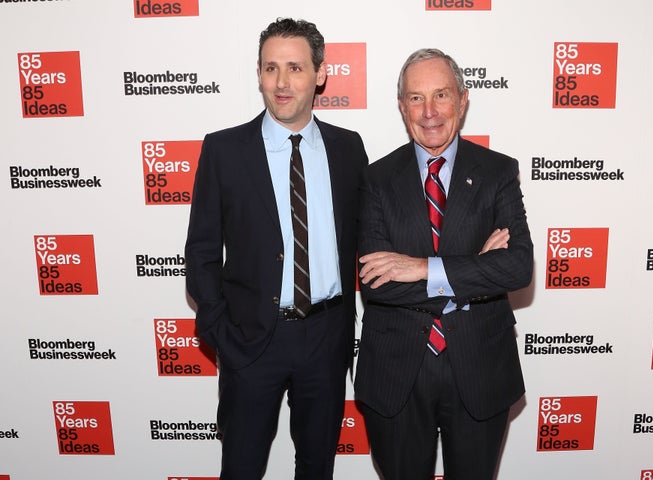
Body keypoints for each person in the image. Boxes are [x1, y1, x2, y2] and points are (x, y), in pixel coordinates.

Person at [184, 18, 368, 480]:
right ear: (259, 74)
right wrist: (221, 331)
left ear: (320, 74)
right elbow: (201, 252)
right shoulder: (224, 150)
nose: (282, 83)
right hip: (251, 341)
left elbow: (375, 232)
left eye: (295, 68)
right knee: (241, 468)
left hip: (327, 338)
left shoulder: (348, 149)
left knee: (316, 468)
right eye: (271, 68)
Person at [354, 48, 533, 480]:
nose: (430, 112)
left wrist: (422, 267)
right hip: (397, 370)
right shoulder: (376, 179)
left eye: (441, 95)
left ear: (463, 100)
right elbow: (376, 284)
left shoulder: (498, 172)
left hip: (480, 366)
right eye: (416, 98)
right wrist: (475, 267)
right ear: (401, 106)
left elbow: (518, 268)